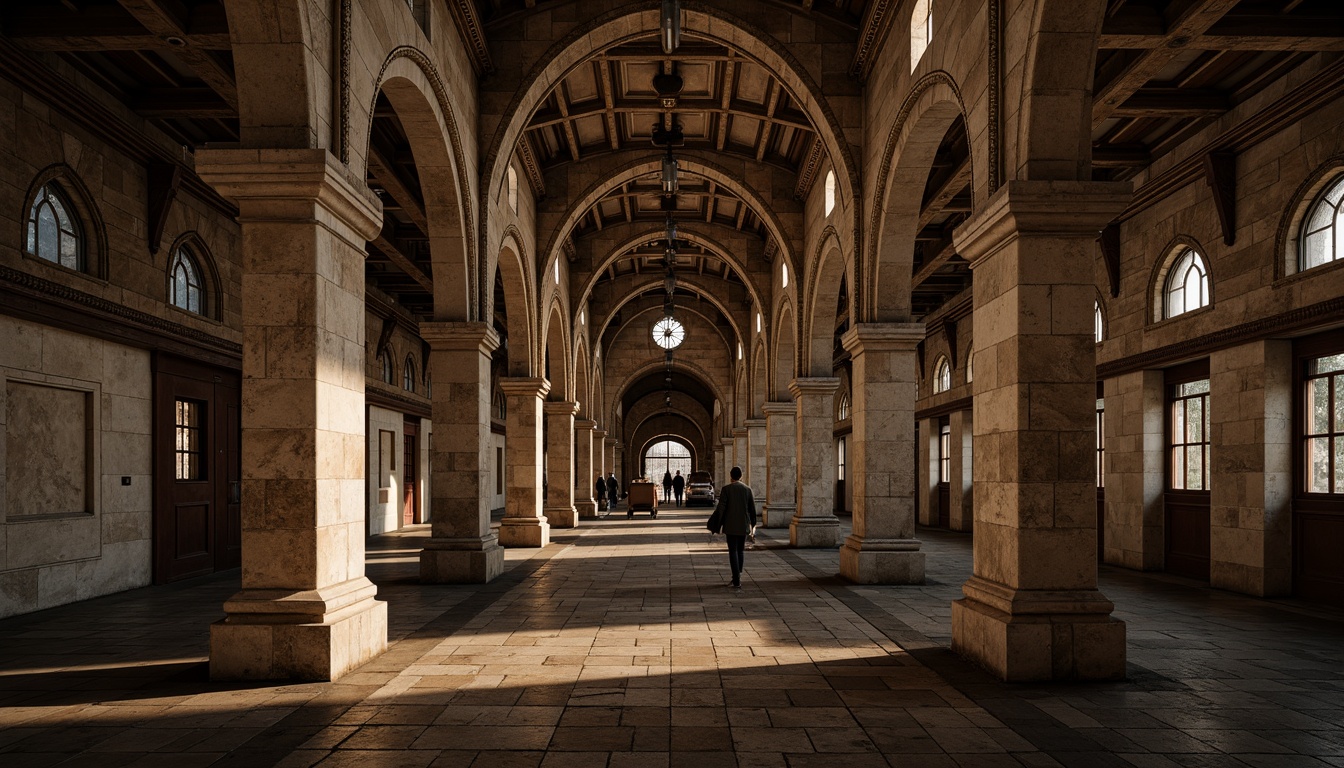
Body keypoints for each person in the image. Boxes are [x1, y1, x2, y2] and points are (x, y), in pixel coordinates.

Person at [711, 466, 756, 588]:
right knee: (740, 550)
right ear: (741, 476)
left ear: (731, 476)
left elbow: (721, 508)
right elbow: (752, 509)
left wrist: (717, 524)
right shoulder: (747, 490)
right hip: (743, 524)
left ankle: (736, 579)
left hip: (730, 525)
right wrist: (753, 525)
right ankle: (739, 574)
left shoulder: (726, 489)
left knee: (733, 551)